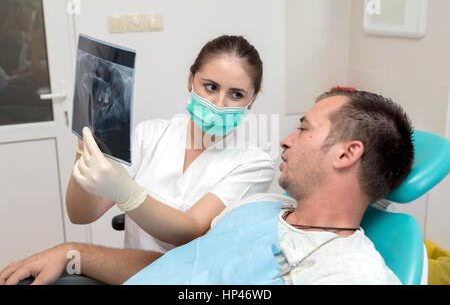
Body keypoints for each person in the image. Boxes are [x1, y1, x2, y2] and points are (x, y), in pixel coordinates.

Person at [0, 35, 274, 285]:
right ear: (190, 80)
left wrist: (126, 193)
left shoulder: (254, 164)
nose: (219, 103)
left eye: (236, 94)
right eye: (210, 87)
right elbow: (81, 214)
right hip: (130, 274)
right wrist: (85, 147)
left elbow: (190, 230)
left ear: (252, 99)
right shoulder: (150, 135)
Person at [123, 89, 414, 285]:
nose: (285, 140)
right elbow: (180, 268)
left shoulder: (349, 273)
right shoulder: (257, 205)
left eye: (303, 129)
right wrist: (81, 255)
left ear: (345, 154)